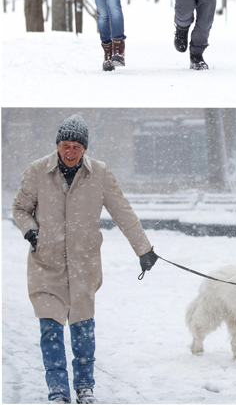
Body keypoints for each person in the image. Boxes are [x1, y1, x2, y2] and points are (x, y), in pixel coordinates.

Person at [12, 115, 158, 405]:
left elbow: (123, 212)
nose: (70, 152)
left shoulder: (100, 174)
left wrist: (144, 249)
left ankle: (84, 386)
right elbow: (20, 208)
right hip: (46, 264)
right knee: (50, 329)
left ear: (85, 149)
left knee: (82, 328)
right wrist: (31, 232)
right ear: (57, 145)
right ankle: (57, 389)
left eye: (76, 147)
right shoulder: (38, 171)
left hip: (84, 265)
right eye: (65, 145)